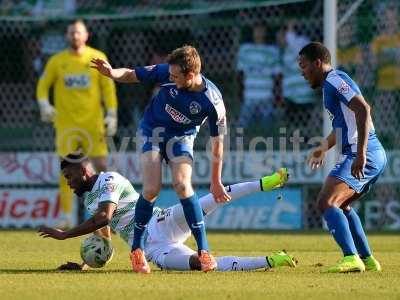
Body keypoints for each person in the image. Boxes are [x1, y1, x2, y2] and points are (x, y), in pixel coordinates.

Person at [91, 45, 230, 273]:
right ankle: (137, 251)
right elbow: (132, 74)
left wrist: (216, 181)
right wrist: (111, 72)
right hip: (152, 131)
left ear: (191, 75)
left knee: (182, 184)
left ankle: (204, 251)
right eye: (171, 75)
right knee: (151, 189)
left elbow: (218, 143)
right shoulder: (166, 71)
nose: (171, 79)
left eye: (176, 77)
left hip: (182, 138)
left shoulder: (213, 102)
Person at [38, 154, 295, 272]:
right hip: (153, 250)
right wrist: (86, 263)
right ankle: (271, 260)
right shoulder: (89, 200)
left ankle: (268, 181)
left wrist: (64, 235)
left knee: (211, 198)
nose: (68, 183)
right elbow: (104, 233)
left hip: (161, 222)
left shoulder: (108, 181)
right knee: (201, 264)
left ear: (84, 171)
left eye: (69, 176)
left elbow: (104, 217)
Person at [298, 42, 387, 273]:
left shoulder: (335, 80)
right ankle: (367, 259)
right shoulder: (330, 85)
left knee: (325, 202)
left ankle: (351, 258)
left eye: (304, 65)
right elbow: (342, 125)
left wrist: (360, 154)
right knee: (343, 205)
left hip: (364, 152)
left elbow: (364, 109)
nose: (302, 71)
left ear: (318, 63)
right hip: (367, 152)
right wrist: (323, 148)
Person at [36, 20, 118, 227]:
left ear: (86, 35)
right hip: (66, 125)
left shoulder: (96, 57)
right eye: (71, 32)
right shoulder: (57, 61)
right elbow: (43, 85)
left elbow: (108, 88)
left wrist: (112, 113)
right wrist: (44, 104)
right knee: (67, 169)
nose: (75, 36)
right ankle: (66, 215)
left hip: (93, 124)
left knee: (101, 167)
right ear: (67, 36)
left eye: (78, 32)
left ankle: (107, 214)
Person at [236, 24, 280, 127]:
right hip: (249, 95)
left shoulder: (272, 50)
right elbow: (240, 73)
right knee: (242, 126)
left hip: (266, 95)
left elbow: (277, 75)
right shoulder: (245, 49)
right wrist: (240, 93)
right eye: (257, 29)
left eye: (262, 29)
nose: (259, 32)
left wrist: (276, 95)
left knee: (267, 127)